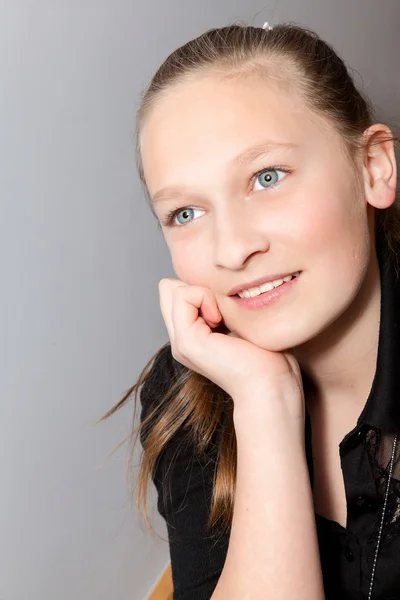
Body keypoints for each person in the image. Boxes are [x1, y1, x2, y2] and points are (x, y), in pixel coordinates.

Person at [97, 21, 400, 599]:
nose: (233, 249)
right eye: (186, 213)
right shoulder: (186, 390)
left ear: (374, 167)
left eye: (267, 177)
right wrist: (266, 403)